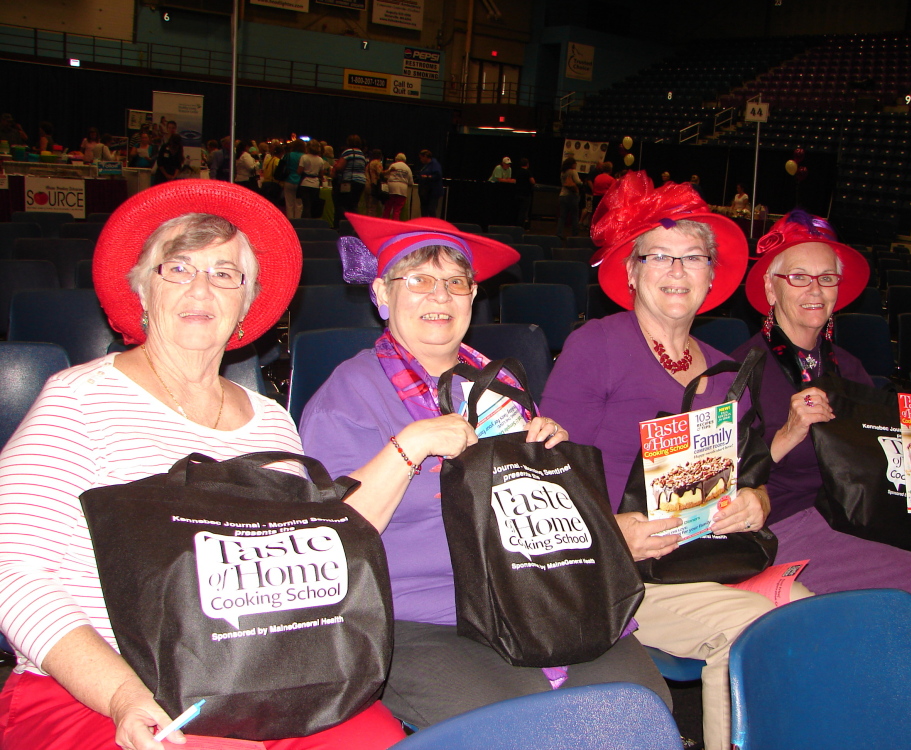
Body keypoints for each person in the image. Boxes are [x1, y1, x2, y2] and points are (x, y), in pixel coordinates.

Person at [0, 181, 406, 750]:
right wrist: (121, 694)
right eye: (178, 268)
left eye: (224, 274)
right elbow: (14, 572)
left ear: (246, 304)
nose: (201, 288)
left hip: (257, 677)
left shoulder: (270, 423)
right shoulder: (79, 399)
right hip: (99, 688)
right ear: (143, 291)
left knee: (383, 742)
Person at [299, 212, 673, 730]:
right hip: (425, 618)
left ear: (473, 298)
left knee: (641, 712)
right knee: (532, 732)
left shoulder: (498, 387)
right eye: (419, 280)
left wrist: (549, 460)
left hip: (538, 591)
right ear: (382, 295)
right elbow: (328, 542)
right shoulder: (347, 397)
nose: (440, 296)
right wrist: (411, 445)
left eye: (455, 282)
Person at [541, 172, 810, 750]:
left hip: (706, 554)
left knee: (811, 616)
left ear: (712, 278)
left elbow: (751, 470)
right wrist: (613, 531)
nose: (676, 270)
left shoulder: (721, 365)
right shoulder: (598, 346)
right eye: (658, 256)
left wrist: (754, 503)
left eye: (692, 257)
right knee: (751, 629)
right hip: (616, 566)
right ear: (631, 272)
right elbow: (545, 475)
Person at [731, 209, 911, 714]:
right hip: (786, 524)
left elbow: (880, 458)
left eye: (827, 278)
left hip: (857, 515)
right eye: (799, 277)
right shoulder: (740, 371)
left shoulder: (848, 368)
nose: (815, 290)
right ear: (770, 287)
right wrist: (787, 434)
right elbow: (730, 482)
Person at [334, 135, 367, 225]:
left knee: (343, 205)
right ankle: (356, 225)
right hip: (361, 182)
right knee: (354, 205)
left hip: (349, 181)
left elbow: (340, 167)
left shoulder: (348, 152)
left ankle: (342, 225)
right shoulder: (361, 154)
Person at [297, 140, 326, 219]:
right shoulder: (320, 160)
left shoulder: (304, 157)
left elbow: (299, 171)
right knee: (313, 206)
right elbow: (321, 174)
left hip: (305, 183)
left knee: (306, 205)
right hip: (315, 184)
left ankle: (304, 223)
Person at [556, 156, 582, 241]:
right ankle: (575, 234)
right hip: (572, 196)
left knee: (562, 217)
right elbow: (577, 182)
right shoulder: (573, 172)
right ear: (573, 164)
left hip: (562, 195)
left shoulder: (563, 172)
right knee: (574, 216)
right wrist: (582, 183)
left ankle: (559, 233)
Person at [382, 153, 414, 221]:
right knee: (397, 210)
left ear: (396, 159)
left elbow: (387, 176)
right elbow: (411, 182)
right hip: (402, 190)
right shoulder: (407, 168)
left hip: (391, 188)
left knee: (388, 208)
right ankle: (395, 224)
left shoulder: (393, 165)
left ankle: (384, 223)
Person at [281, 139, 306, 220]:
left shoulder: (288, 155)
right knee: (299, 204)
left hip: (288, 180)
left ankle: (290, 222)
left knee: (289, 203)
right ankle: (297, 222)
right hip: (300, 182)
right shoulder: (304, 156)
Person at [416, 149, 444, 219]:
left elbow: (438, 175)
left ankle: (433, 225)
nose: (420, 160)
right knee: (424, 210)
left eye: (421, 157)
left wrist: (427, 177)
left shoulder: (435, 164)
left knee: (431, 209)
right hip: (425, 192)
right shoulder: (426, 166)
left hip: (433, 192)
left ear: (425, 156)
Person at [513, 157, 536, 230]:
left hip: (517, 194)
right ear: (527, 164)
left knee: (518, 210)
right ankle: (521, 227)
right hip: (525, 195)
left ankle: (516, 225)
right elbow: (533, 182)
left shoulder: (518, 172)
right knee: (523, 212)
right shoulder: (528, 172)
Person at [364, 149, 384, 217]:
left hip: (366, 185)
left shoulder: (368, 164)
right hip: (373, 186)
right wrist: (390, 171)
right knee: (373, 207)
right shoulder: (377, 163)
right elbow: (380, 173)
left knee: (368, 206)